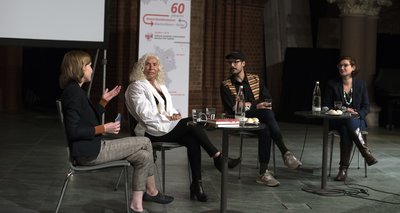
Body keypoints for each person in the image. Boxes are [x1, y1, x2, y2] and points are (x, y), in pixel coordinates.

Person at [59, 50, 173, 213]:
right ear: (79, 68)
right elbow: (74, 131)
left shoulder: (76, 91)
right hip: (89, 153)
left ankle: (137, 206)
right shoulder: (73, 93)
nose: (92, 69)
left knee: (143, 156)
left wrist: (103, 101)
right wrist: (104, 128)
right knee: (146, 141)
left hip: (92, 147)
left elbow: (87, 119)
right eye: (89, 65)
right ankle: (152, 191)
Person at [125, 53, 241, 202]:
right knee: (192, 122)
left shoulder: (161, 86)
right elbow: (145, 115)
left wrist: (174, 115)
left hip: (164, 127)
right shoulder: (136, 87)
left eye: (154, 64)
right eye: (147, 64)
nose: (151, 67)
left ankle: (197, 185)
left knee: (192, 139)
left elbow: (170, 110)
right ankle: (217, 157)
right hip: (149, 132)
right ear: (141, 67)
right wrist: (169, 117)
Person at [220, 51, 302, 187]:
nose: (232, 65)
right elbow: (232, 108)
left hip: (259, 119)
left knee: (266, 128)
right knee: (267, 114)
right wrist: (255, 104)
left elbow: (268, 101)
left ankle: (263, 173)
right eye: (230, 62)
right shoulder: (226, 85)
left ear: (243, 63)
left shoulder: (256, 80)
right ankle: (285, 152)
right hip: (238, 120)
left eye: (236, 62)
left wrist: (247, 105)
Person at [322, 56, 378, 181]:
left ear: (353, 67)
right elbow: (326, 105)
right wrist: (343, 110)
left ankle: (343, 170)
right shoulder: (332, 84)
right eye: (340, 66)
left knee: (346, 127)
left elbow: (366, 106)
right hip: (337, 120)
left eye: (345, 65)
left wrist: (357, 114)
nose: (342, 68)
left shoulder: (360, 84)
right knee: (346, 122)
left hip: (357, 120)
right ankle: (365, 152)